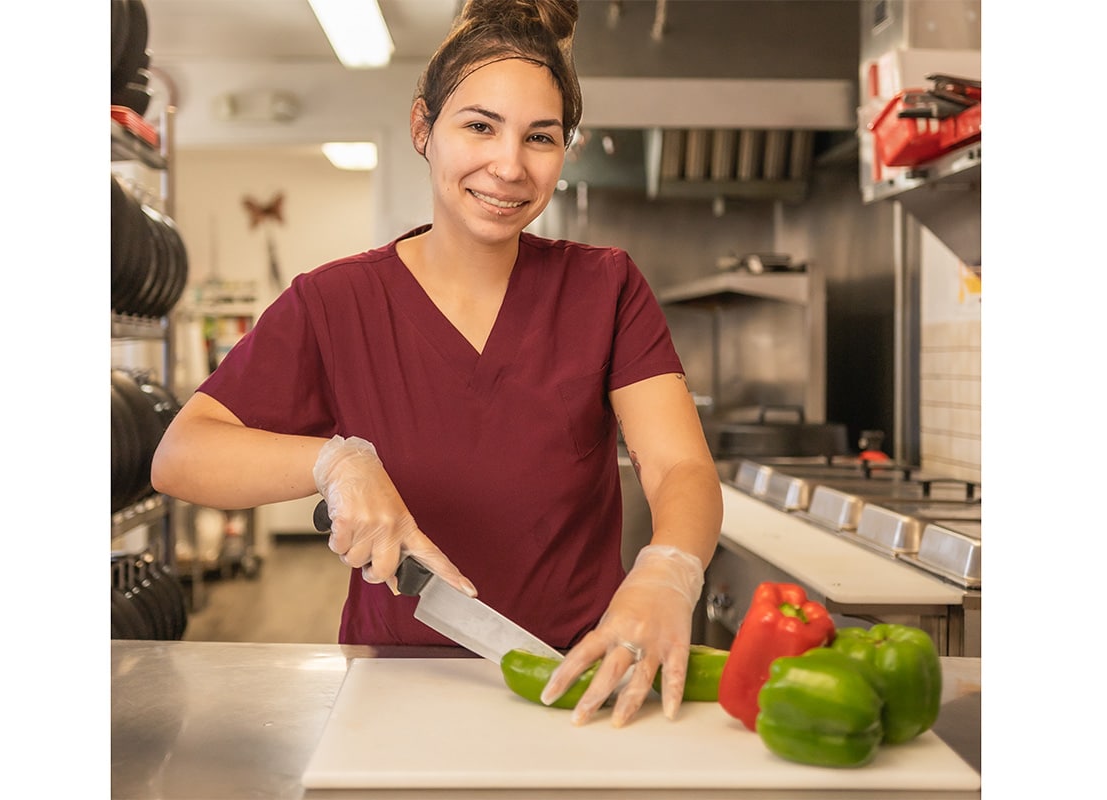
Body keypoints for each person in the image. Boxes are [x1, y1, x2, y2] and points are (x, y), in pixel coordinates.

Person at [151, 0, 723, 728]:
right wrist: (337, 462)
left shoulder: (605, 287)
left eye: (540, 137)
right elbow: (180, 454)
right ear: (423, 127)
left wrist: (668, 572)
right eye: (479, 126)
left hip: (583, 679)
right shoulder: (335, 301)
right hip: (394, 682)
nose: (509, 167)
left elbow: (680, 468)